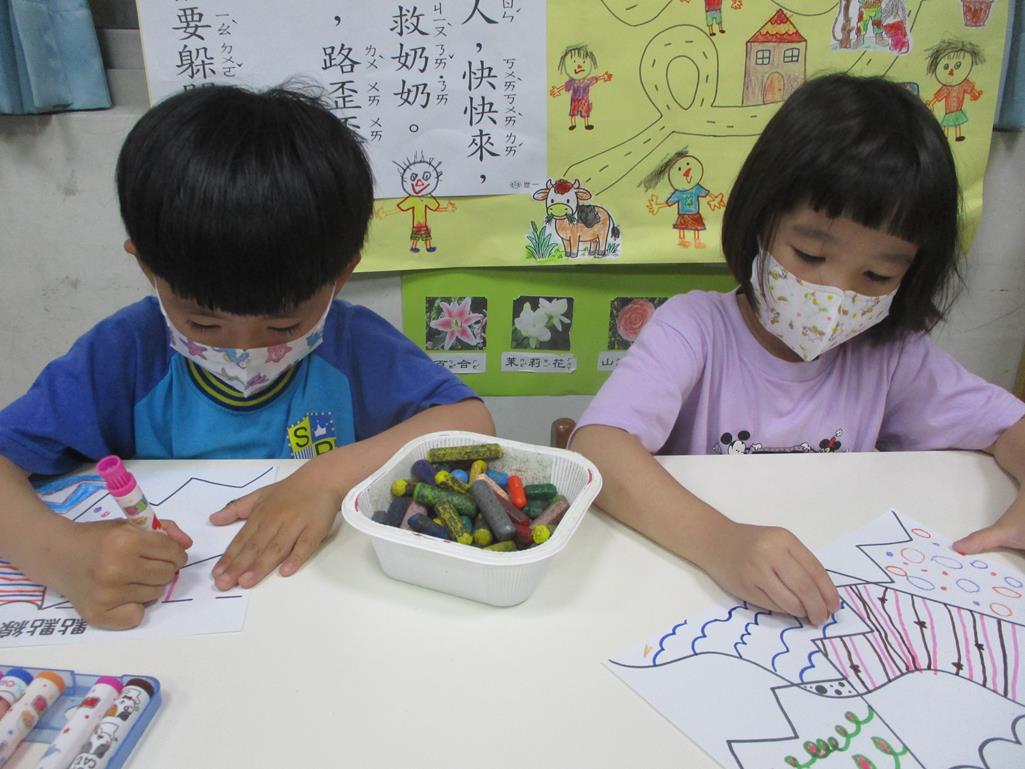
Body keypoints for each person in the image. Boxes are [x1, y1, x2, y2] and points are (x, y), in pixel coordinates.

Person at [0, 85, 494, 629]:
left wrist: (324, 479)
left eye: (283, 326)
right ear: (147, 268)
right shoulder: (125, 354)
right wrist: (62, 556)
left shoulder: (354, 345)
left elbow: (470, 423)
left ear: (341, 275)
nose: (243, 349)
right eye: (203, 323)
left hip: (325, 621)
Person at [571, 73, 1025, 625]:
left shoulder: (891, 355)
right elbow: (598, 446)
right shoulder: (695, 329)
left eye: (877, 275)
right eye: (810, 255)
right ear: (761, 220)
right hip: (693, 591)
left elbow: (1008, 427)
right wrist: (721, 543)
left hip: (829, 595)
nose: (836, 294)